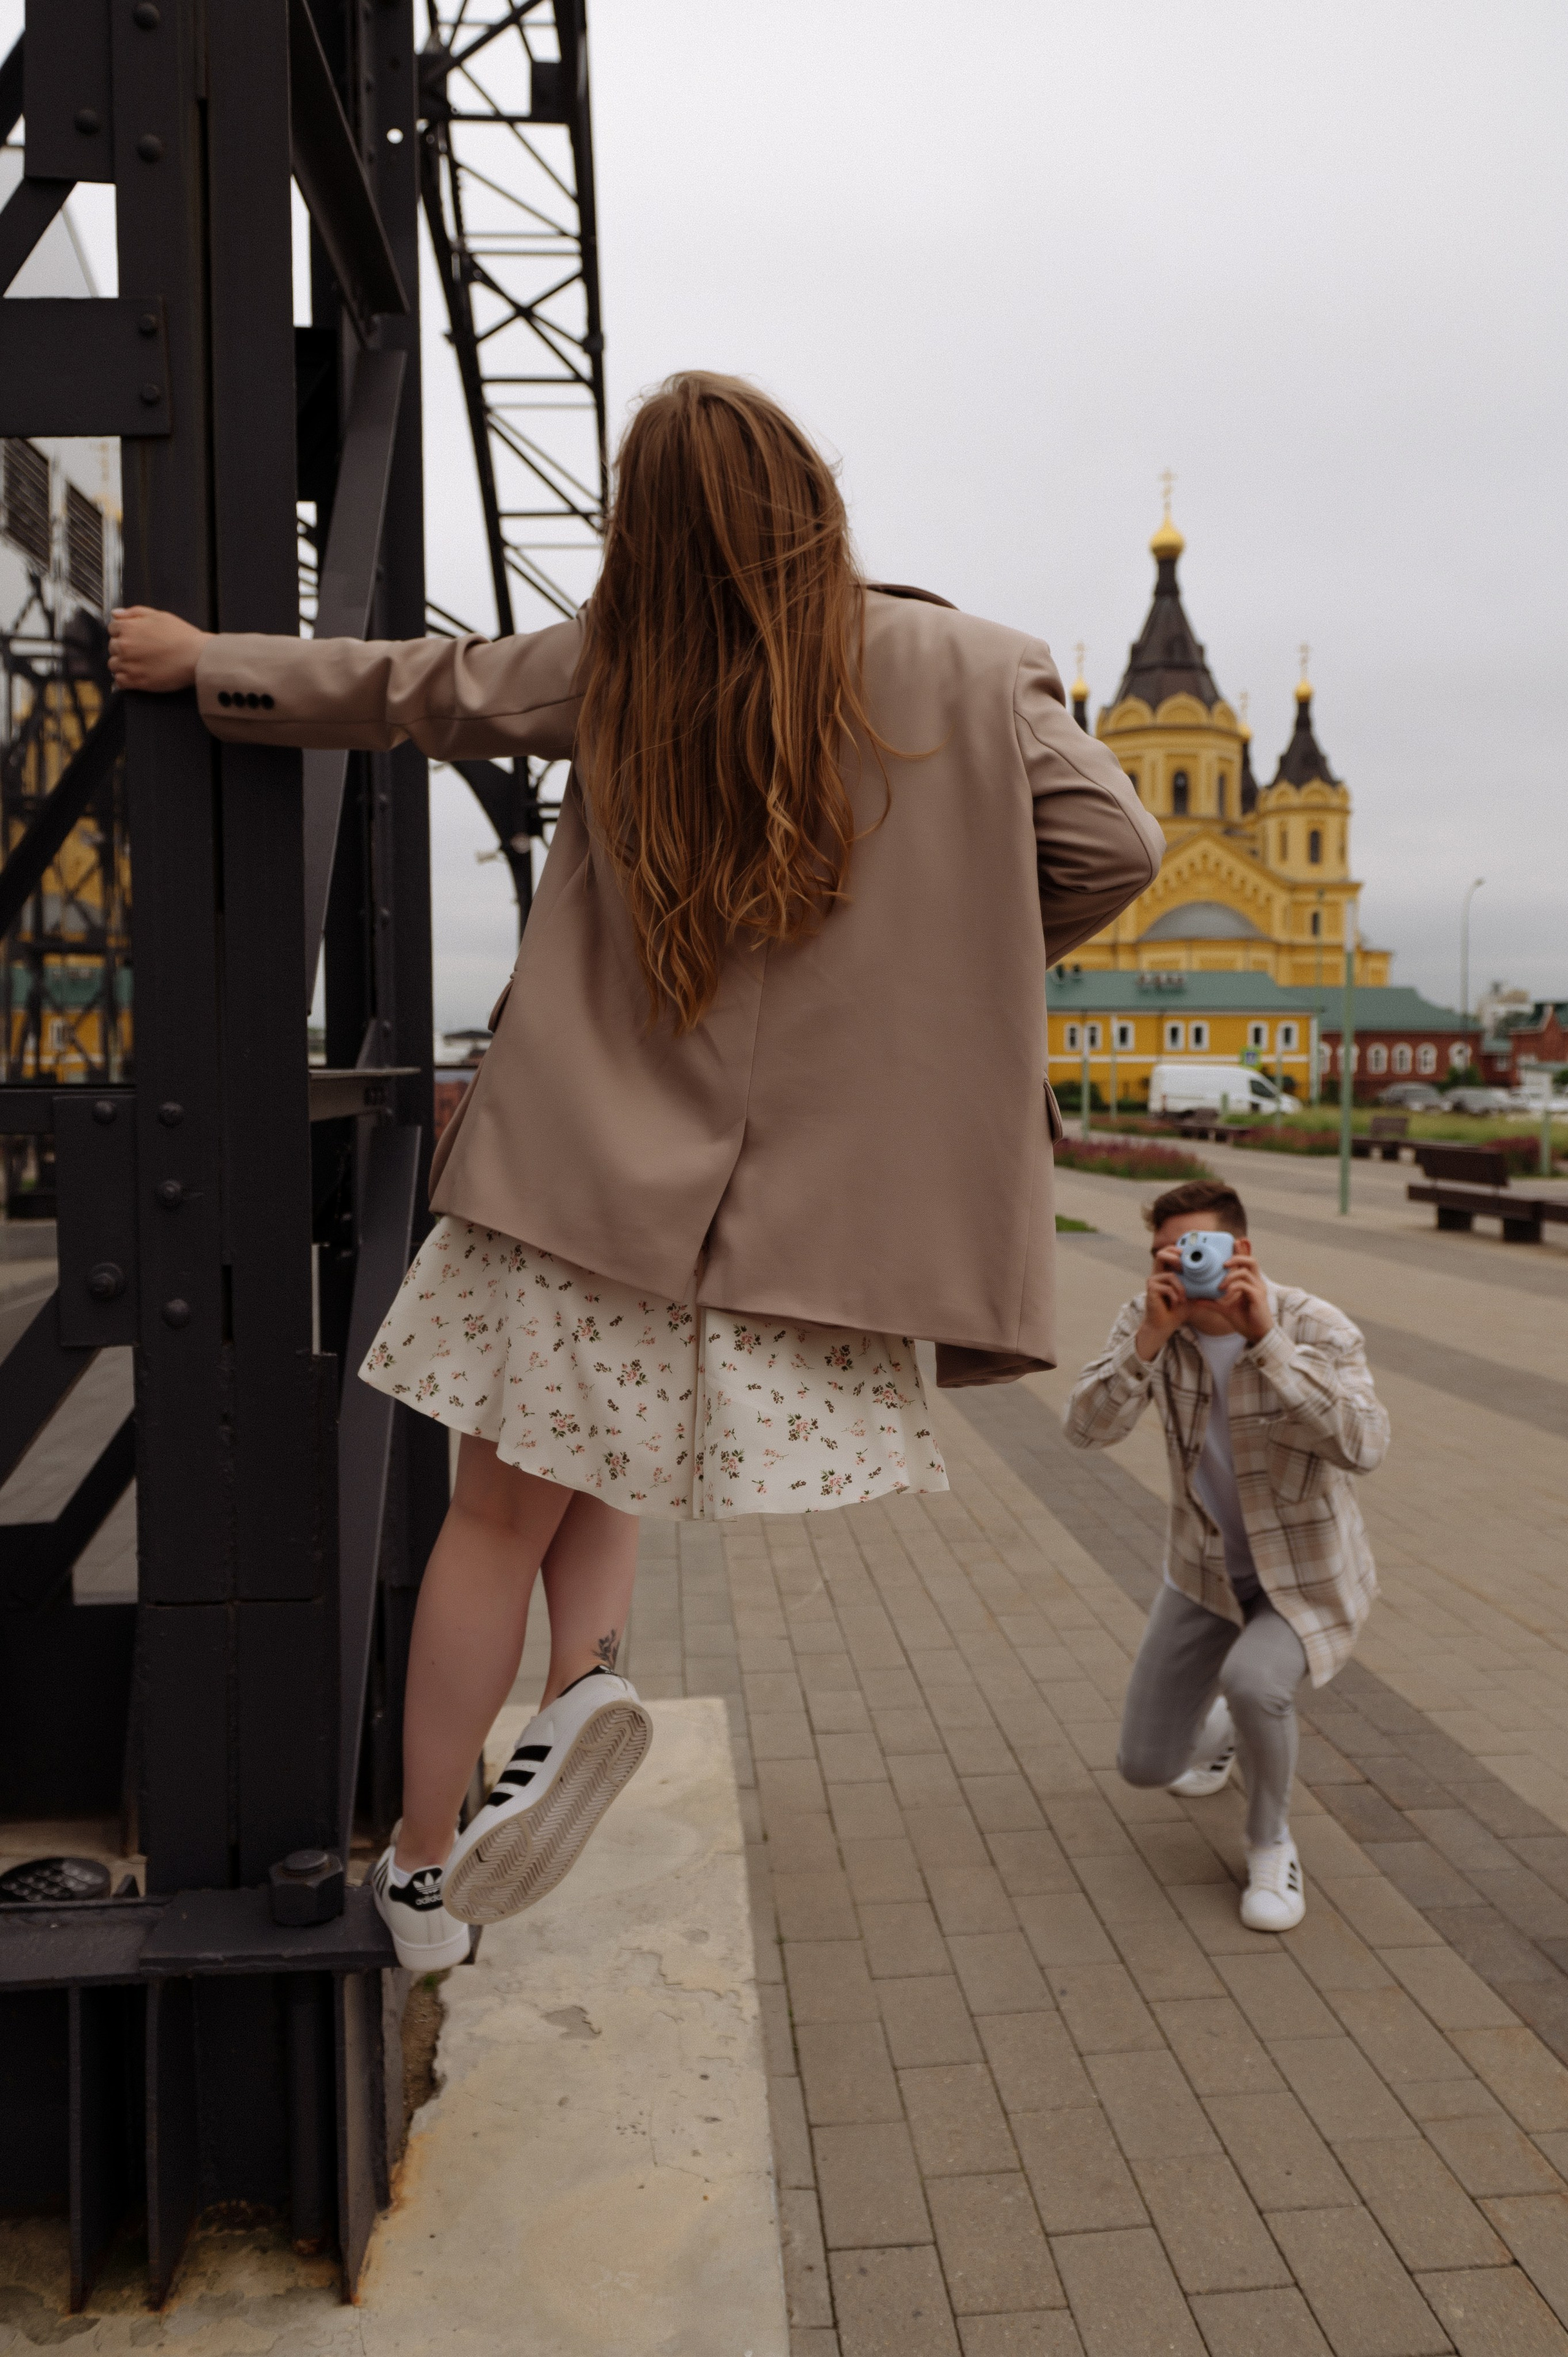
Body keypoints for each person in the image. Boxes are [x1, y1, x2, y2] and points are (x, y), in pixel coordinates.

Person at [108, 371, 1164, 1969]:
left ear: (644, 534)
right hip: (787, 1204)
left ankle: (416, 1865)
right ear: (813, 497)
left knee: (495, 1508)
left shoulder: (621, 663)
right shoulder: (969, 664)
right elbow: (1118, 853)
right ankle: (583, 1685)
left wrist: (203, 668)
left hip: (587, 1170)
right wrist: (940, 975)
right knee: (588, 1465)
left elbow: (416, 687)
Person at [1065, 1177, 1389, 1931]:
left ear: (1239, 1251)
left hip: (1302, 1577)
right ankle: (1214, 1735)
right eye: (1165, 1254)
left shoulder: (1313, 1325)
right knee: (1146, 1766)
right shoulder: (1152, 1320)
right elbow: (1083, 1431)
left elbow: (1366, 1446)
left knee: (1256, 1682)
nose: (1183, 1267)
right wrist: (1146, 1340)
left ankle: (1270, 1843)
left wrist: (1266, 1341)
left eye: (1197, 1249)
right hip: (1203, 1570)